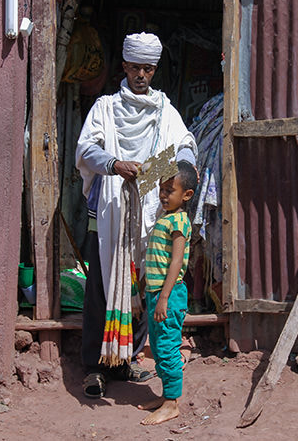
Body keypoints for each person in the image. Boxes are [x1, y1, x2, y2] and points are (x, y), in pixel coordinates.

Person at [76, 32, 197, 398]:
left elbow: (185, 146)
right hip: (110, 211)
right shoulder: (105, 109)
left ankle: (125, 359)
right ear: (125, 66)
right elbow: (86, 150)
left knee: (142, 289)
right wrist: (113, 164)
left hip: (148, 214)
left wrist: (180, 173)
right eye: (135, 67)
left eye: (148, 68)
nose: (141, 74)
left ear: (154, 69)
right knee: (102, 289)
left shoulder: (165, 112)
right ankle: (95, 368)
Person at [139, 161, 198, 425]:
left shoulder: (180, 222)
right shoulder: (164, 218)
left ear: (186, 195)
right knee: (159, 348)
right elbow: (156, 259)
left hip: (169, 295)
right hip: (156, 293)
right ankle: (166, 396)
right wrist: (146, 289)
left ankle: (172, 403)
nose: (163, 195)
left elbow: (176, 262)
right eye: (161, 189)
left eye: (169, 190)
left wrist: (163, 297)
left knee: (167, 347)